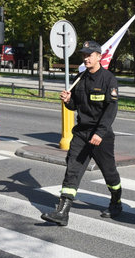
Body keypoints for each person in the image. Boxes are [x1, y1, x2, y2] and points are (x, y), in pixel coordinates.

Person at [41, 41, 122, 226]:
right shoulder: (80, 78)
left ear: (99, 56)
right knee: (72, 170)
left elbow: (111, 110)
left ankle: (116, 201)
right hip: (82, 134)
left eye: (89, 55)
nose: (86, 58)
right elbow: (74, 105)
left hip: (101, 136)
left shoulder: (108, 79)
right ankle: (62, 212)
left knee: (109, 174)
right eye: (84, 55)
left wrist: (100, 133)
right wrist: (68, 100)